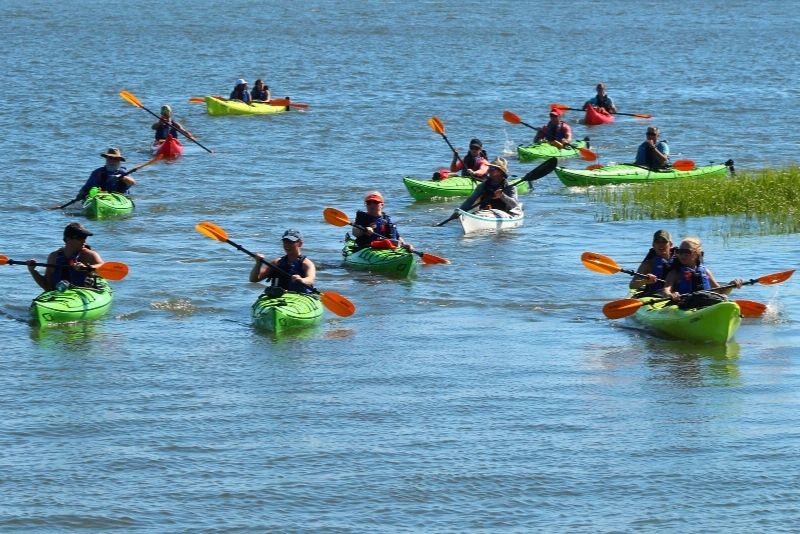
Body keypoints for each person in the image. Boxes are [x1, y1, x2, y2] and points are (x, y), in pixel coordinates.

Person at [27, 222, 104, 291]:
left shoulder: (90, 255)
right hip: (60, 295)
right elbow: (47, 286)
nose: (84, 241)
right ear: (68, 239)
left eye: (85, 238)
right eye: (80, 238)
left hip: (83, 293)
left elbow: (104, 267)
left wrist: (88, 268)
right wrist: (33, 271)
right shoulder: (54, 257)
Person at [661, 237, 743, 301]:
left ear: (697, 254)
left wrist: (731, 285)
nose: (682, 255)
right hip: (684, 304)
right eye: (679, 251)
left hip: (704, 302)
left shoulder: (705, 272)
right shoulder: (675, 273)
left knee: (724, 297)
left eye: (687, 252)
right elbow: (665, 290)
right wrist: (671, 295)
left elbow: (720, 291)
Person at [249, 229, 316, 295]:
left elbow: (310, 279)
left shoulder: (307, 264)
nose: (287, 245)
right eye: (285, 242)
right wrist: (258, 263)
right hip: (278, 296)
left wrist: (301, 280)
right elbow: (254, 279)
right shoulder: (277, 262)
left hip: (299, 296)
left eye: (290, 242)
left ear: (300, 243)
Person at [630, 229, 676, 294]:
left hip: (674, 295)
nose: (661, 244)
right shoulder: (648, 264)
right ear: (653, 245)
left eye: (664, 242)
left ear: (670, 244)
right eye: (657, 242)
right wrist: (644, 281)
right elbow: (632, 285)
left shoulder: (679, 261)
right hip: (654, 296)